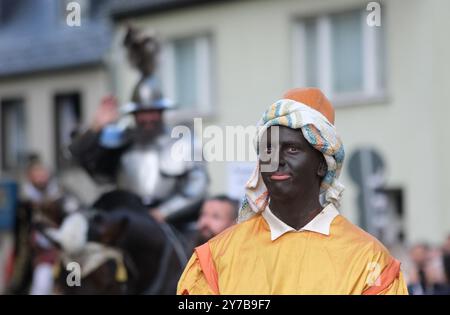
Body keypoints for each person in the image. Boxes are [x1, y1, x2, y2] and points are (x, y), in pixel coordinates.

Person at [177, 87, 408, 295]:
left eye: (292, 148)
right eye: (268, 149)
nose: (275, 159)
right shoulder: (215, 258)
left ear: (321, 164)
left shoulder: (370, 261)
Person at [69, 26, 208, 224]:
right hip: (126, 221)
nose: (148, 118)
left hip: (171, 223)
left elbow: (196, 188)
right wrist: (96, 128)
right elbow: (79, 156)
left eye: (152, 112)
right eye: (142, 113)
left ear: (161, 112)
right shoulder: (120, 139)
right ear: (134, 114)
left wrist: (163, 213)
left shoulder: (185, 143)